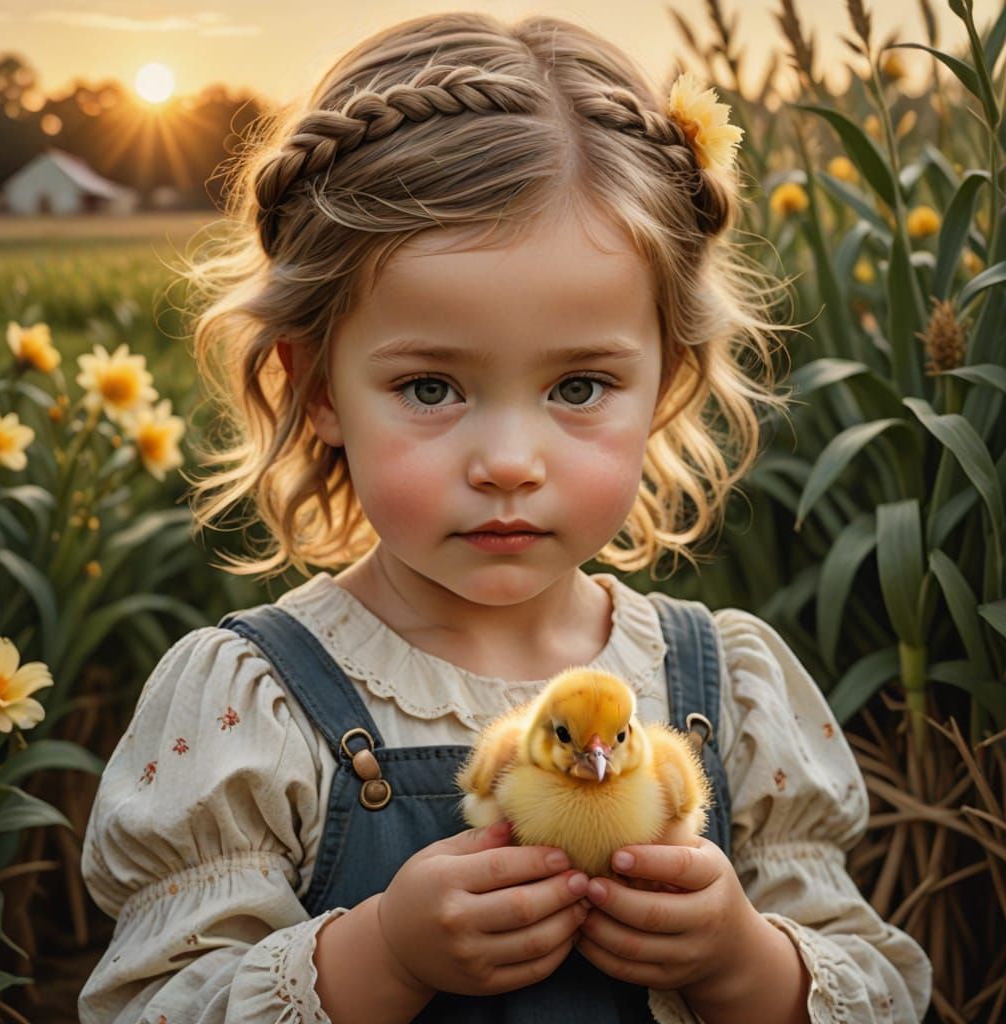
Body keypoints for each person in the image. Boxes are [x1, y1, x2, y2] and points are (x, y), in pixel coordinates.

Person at [78, 11, 932, 1023]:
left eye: (578, 385)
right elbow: (153, 1004)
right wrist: (380, 957)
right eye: (432, 387)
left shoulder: (724, 691)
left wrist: (739, 960)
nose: (509, 463)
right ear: (314, 389)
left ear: (666, 383)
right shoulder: (251, 706)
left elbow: (878, 990)